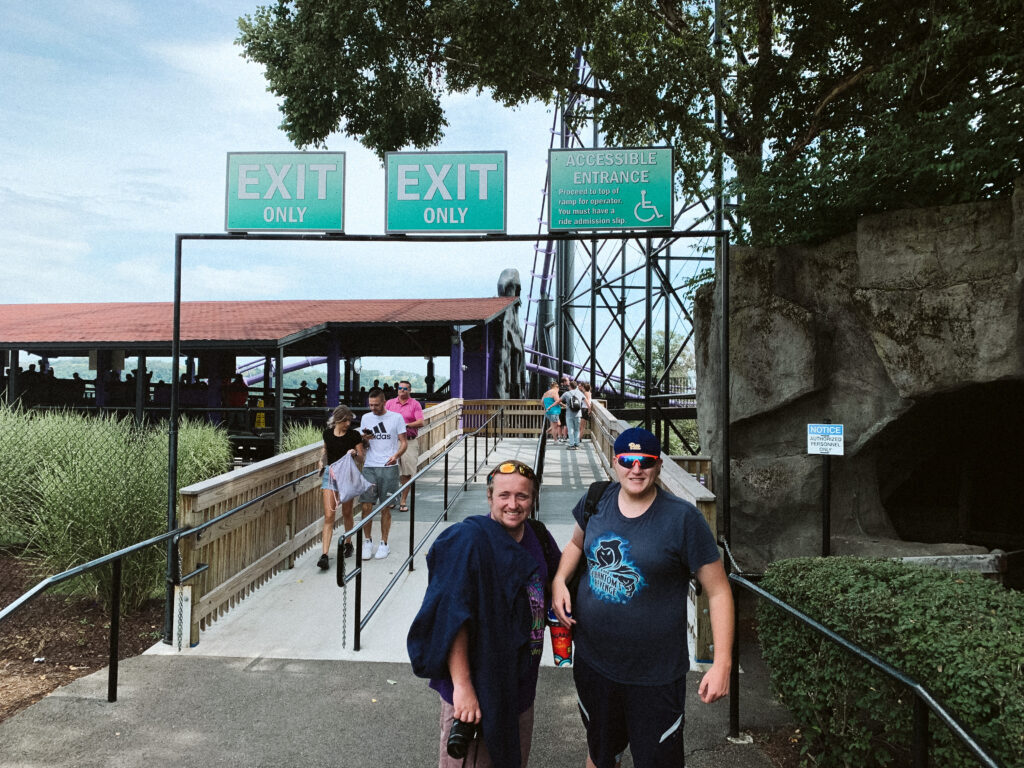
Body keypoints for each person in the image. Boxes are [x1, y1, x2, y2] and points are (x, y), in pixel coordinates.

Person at [551, 427, 734, 768]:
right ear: (615, 462)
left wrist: (722, 662)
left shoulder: (683, 518)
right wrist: (559, 580)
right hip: (594, 664)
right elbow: (576, 545)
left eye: (646, 461)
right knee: (600, 753)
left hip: (655, 675)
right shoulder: (595, 500)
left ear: (658, 466)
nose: (636, 469)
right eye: (628, 460)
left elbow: (719, 590)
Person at [407, 460, 561, 768]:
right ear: (489, 497)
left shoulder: (538, 538)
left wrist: (559, 586)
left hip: (518, 688)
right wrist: (463, 688)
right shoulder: (468, 540)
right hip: (474, 689)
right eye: (504, 495)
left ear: (533, 499)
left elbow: (560, 577)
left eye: (523, 496)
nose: (513, 504)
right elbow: (453, 618)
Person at [358, 386, 407, 560]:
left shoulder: (396, 418)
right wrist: (364, 439)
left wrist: (396, 456)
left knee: (385, 506)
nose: (373, 408)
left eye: (376, 405)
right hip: (370, 466)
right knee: (366, 505)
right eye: (370, 405)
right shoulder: (366, 418)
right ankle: (367, 541)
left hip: (389, 466)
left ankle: (384, 543)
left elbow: (404, 442)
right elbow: (362, 444)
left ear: (384, 402)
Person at [316, 405, 365, 569]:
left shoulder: (353, 435)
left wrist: (355, 454)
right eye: (346, 420)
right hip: (330, 474)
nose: (348, 423)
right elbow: (325, 450)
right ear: (338, 420)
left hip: (347, 474)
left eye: (350, 420)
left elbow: (361, 459)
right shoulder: (327, 434)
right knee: (329, 516)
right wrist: (321, 461)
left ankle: (348, 542)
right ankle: (324, 555)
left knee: (346, 512)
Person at [386, 380, 425, 512]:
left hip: (409, 440)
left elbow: (421, 422)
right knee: (391, 471)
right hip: (393, 441)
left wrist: (405, 425)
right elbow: (382, 419)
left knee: (407, 473)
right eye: (400, 388)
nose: (402, 390)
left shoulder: (415, 404)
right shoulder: (390, 403)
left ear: (409, 390)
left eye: (405, 388)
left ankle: (403, 500)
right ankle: (392, 498)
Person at [560, 380, 585, 450]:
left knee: (570, 429)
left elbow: (558, 401)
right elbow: (586, 401)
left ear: (570, 386)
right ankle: (577, 444)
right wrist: (589, 409)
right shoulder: (580, 393)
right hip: (578, 414)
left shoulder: (566, 394)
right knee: (577, 429)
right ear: (576, 386)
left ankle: (571, 444)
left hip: (569, 414)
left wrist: (550, 406)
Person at [557, 374, 571, 442]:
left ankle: (559, 437)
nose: (569, 382)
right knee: (565, 423)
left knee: (559, 423)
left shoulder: (558, 389)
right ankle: (565, 437)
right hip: (566, 408)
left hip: (559, 408)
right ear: (565, 382)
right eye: (568, 381)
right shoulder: (568, 390)